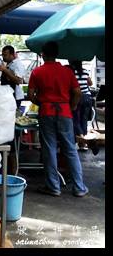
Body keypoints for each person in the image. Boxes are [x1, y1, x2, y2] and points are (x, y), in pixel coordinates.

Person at [28, 41, 88, 197]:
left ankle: (53, 187)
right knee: (70, 149)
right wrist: (73, 106)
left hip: (46, 111)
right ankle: (79, 187)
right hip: (65, 112)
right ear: (56, 54)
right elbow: (77, 92)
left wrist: (41, 102)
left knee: (49, 149)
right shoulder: (67, 72)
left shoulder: (37, 72)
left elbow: (31, 95)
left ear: (43, 54)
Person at [67, 60, 97, 153]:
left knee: (75, 119)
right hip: (87, 98)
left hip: (77, 97)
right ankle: (83, 144)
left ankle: (82, 140)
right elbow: (90, 83)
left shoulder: (71, 72)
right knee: (84, 120)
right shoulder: (85, 71)